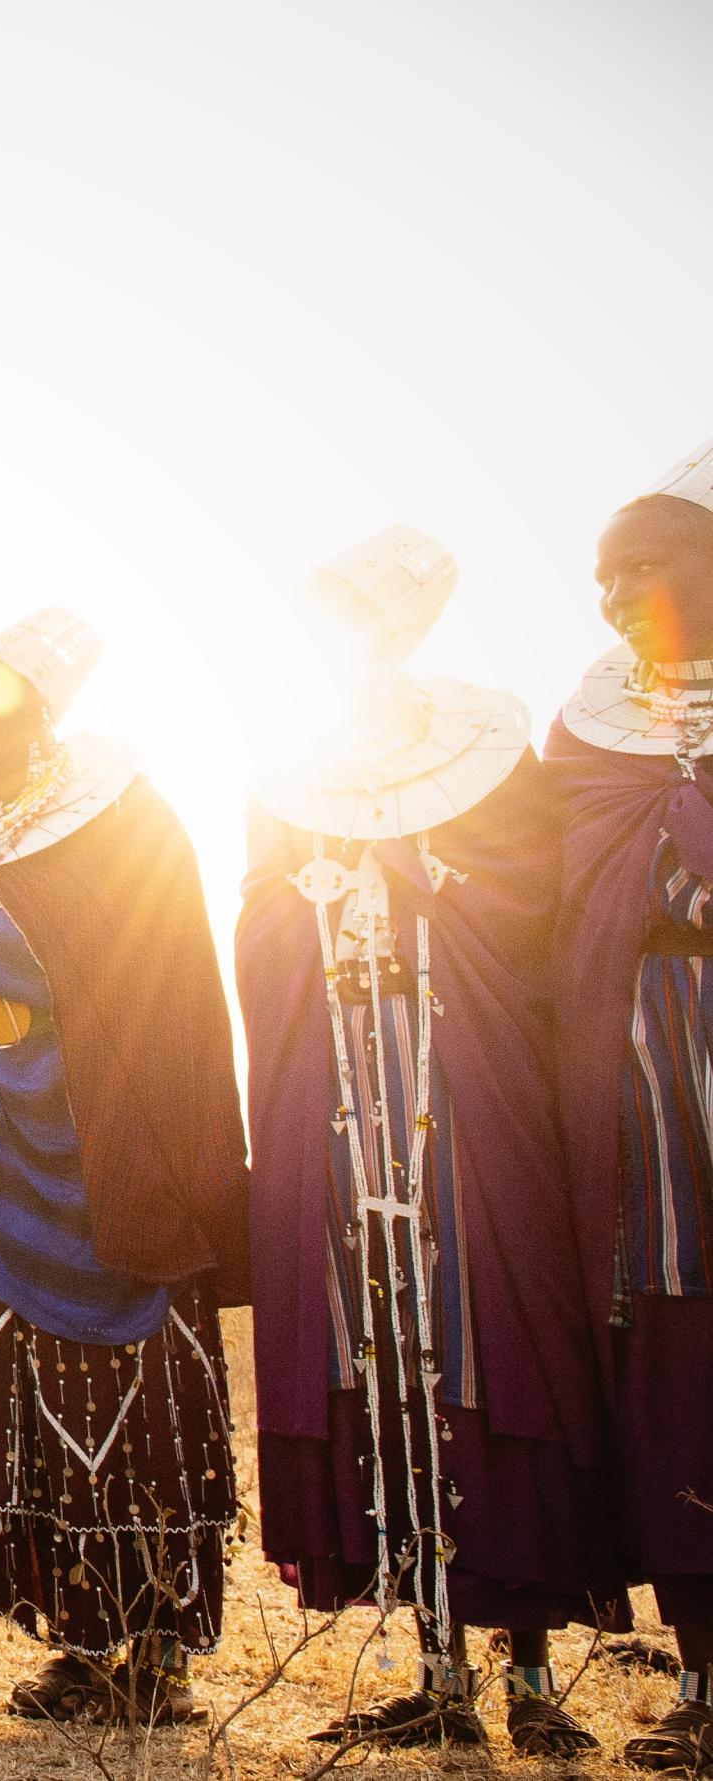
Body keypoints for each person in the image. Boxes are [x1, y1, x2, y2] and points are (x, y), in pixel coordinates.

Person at [238, 530, 626, 1754]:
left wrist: (420, 877)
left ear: (402, 623)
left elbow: (540, 905)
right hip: (337, 1083)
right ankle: (437, 1665)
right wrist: (307, 907)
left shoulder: (484, 745)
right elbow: (252, 911)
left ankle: (530, 1672)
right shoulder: (286, 762)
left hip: (461, 1082)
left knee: (490, 1341)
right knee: (380, 1349)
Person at [0, 611, 247, 1726]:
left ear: (43, 705)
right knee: (18, 1389)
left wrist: (0, 973)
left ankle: (156, 1650)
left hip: (102, 1137)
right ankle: (77, 1639)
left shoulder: (120, 821)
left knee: (127, 1388)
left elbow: (154, 981)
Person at [549, 438, 713, 1773]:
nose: (615, 594)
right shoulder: (588, 724)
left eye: (643, 563)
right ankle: (709, 1678)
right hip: (644, 1080)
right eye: (602, 575)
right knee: (673, 1363)